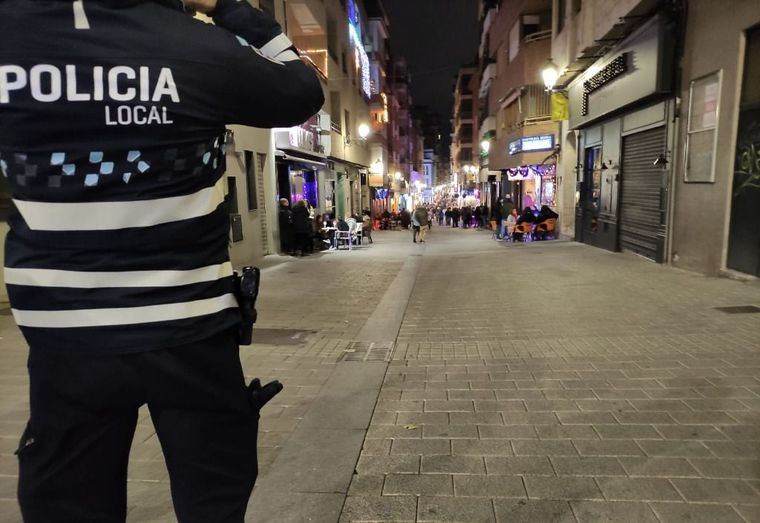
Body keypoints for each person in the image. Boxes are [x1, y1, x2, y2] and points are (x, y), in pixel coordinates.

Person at [1, 0, 324, 522]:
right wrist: (227, 8)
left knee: (68, 501)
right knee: (212, 497)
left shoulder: (13, 34)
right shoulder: (196, 47)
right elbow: (301, 88)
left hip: (64, 333)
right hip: (190, 328)